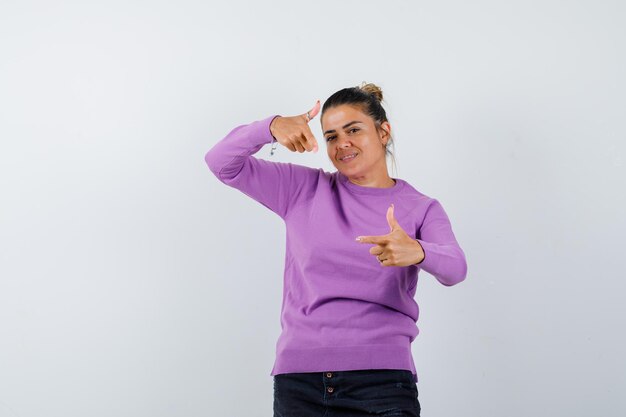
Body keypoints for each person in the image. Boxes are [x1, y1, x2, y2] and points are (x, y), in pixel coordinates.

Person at [204, 82, 468, 417]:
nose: (342, 144)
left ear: (383, 132)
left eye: (353, 130)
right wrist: (270, 127)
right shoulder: (302, 189)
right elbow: (221, 163)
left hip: (382, 384)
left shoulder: (421, 207)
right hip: (300, 383)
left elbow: (456, 268)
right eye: (331, 136)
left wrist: (417, 251)